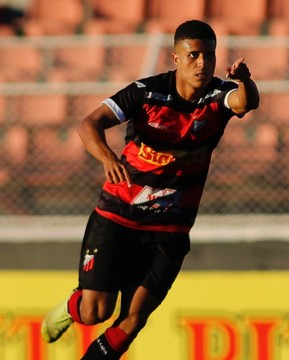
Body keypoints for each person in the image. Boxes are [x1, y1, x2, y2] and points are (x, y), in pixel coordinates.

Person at [41, 19, 259, 359]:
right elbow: (89, 124)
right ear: (175, 58)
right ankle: (73, 306)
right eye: (194, 55)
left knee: (132, 320)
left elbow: (245, 103)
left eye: (210, 56)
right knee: (95, 313)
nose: (203, 63)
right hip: (118, 216)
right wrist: (106, 156)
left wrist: (244, 80)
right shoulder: (145, 92)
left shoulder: (218, 97)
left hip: (169, 229)